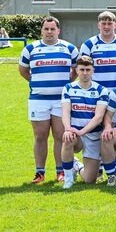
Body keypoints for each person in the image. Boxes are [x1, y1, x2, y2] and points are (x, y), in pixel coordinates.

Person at [19, 16, 79, 183]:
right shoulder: (31, 49)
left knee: (60, 136)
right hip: (38, 100)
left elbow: (76, 70)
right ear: (42, 30)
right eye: (46, 29)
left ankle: (60, 171)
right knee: (40, 136)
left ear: (58, 30)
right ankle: (40, 172)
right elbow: (23, 70)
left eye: (53, 29)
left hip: (61, 101)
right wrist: (36, 82)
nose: (49, 32)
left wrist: (67, 84)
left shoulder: (69, 48)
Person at [80, 11, 116, 181]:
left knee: (115, 132)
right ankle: (100, 170)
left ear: (115, 25)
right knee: (97, 132)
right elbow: (84, 69)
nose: (106, 26)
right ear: (98, 25)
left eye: (109, 23)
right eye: (103, 23)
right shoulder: (89, 44)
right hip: (96, 97)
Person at [60, 56, 109, 189]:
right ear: (76, 70)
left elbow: (98, 117)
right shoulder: (69, 88)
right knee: (67, 138)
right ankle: (68, 179)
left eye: (88, 69)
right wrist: (68, 129)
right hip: (76, 134)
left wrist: (82, 131)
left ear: (93, 70)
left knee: (89, 180)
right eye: (82, 70)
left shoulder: (101, 90)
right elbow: (65, 112)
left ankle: (77, 165)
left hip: (93, 136)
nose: (85, 73)